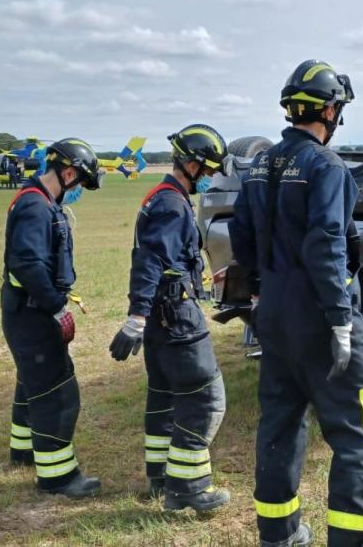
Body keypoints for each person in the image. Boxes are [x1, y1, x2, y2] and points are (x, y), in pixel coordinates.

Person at [230, 59, 363, 547]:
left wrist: (259, 288)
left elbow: (240, 233)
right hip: (321, 312)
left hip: (273, 311)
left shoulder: (259, 164)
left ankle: (278, 534)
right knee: (359, 434)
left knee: (279, 423)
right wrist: (340, 319)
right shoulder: (326, 166)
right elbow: (327, 243)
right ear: (331, 110)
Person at [109, 124, 231, 513]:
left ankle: (161, 478)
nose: (210, 178)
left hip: (162, 319)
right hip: (176, 320)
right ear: (192, 163)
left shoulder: (163, 197)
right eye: (208, 169)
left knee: (164, 398)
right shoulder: (172, 204)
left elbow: (167, 261)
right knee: (206, 400)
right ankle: (188, 489)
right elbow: (150, 262)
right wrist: (135, 317)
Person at [1, 138, 104, 498]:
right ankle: (58, 476)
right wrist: (56, 308)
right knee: (57, 392)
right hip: (34, 314)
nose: (79, 193)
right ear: (69, 173)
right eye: (80, 185)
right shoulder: (35, 206)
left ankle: (24, 451)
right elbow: (27, 264)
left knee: (31, 383)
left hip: (24, 312)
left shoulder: (39, 201)